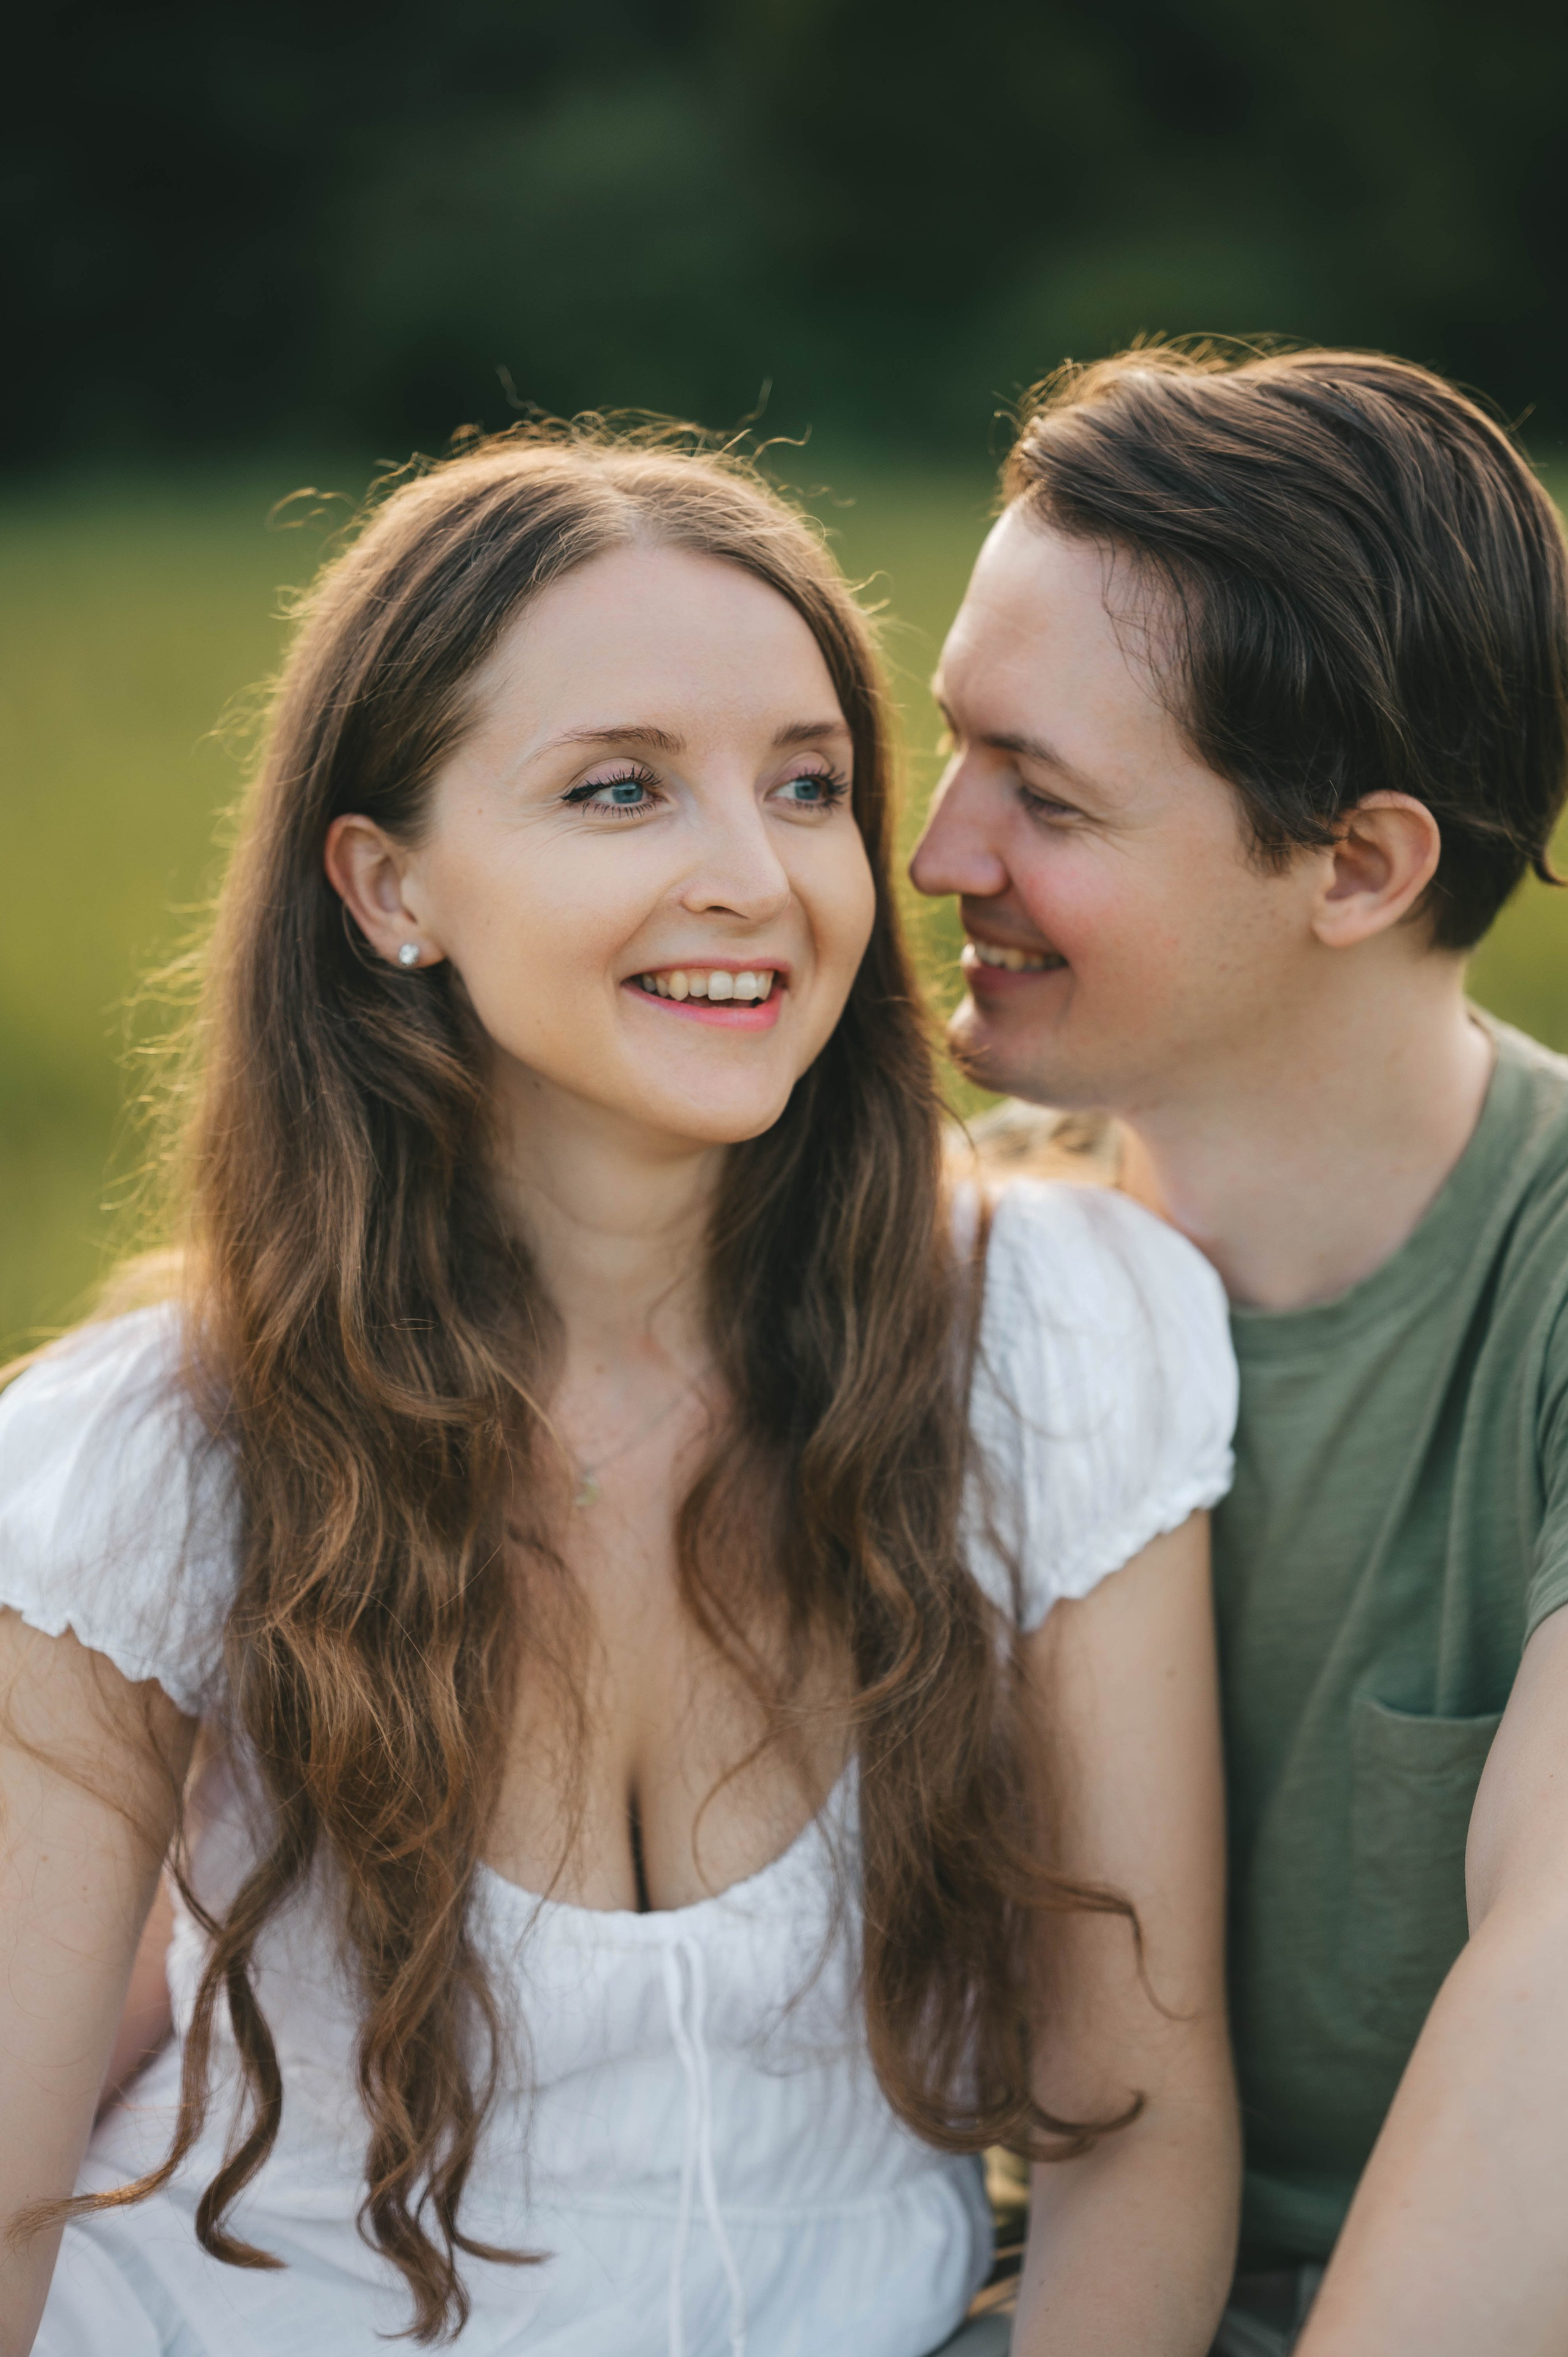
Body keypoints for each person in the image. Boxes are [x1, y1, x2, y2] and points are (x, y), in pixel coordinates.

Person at [0, 426, 1240, 2357]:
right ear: (389, 887)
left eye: (809, 787)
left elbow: (1138, 2133)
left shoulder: (1052, 1340)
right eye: (619, 790)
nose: (754, 878)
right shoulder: (141, 1467)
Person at [910, 343, 1568, 2356]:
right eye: (953, 749)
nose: (938, 853)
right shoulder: (926, 1273)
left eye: (1046, 796)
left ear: (1356, 868)